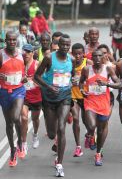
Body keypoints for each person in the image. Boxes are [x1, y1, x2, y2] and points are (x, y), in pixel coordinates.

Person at [34, 34, 75, 177]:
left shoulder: (72, 59)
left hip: (64, 97)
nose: (65, 47)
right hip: (49, 98)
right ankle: (55, 121)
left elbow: (72, 75)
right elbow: (36, 76)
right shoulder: (49, 58)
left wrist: (73, 81)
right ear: (58, 45)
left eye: (67, 45)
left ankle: (59, 164)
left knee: (62, 129)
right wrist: (49, 87)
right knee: (52, 134)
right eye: (62, 44)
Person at [79, 49, 121, 166]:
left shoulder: (107, 69)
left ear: (103, 57)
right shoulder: (87, 69)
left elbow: (119, 84)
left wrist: (107, 84)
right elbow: (81, 82)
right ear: (92, 57)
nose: (97, 58)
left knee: (101, 130)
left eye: (99, 56)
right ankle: (91, 135)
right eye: (95, 56)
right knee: (92, 126)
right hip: (90, 101)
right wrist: (82, 90)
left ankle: (98, 153)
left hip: (103, 103)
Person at [0, 31, 26, 166]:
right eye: (9, 40)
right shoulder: (1, 54)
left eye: (14, 40)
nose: (11, 42)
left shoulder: (22, 53)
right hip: (4, 92)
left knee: (16, 117)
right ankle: (12, 149)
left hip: (18, 91)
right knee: (9, 123)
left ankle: (20, 142)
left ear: (16, 41)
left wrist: (25, 77)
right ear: (5, 40)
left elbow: (25, 71)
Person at [70, 43, 92, 157]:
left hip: (85, 96)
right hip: (73, 96)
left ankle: (90, 135)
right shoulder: (69, 63)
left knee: (86, 121)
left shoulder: (88, 63)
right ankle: (78, 147)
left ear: (83, 53)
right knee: (75, 118)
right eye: (75, 54)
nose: (77, 56)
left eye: (79, 54)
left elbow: (96, 73)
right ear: (71, 54)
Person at [21, 44, 42, 155]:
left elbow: (43, 80)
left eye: (29, 52)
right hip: (23, 96)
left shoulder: (37, 64)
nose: (26, 54)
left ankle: (35, 134)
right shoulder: (20, 64)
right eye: (25, 52)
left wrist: (33, 82)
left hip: (36, 96)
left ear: (33, 53)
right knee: (24, 118)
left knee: (35, 119)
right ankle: (24, 143)